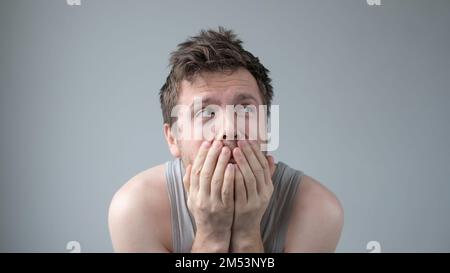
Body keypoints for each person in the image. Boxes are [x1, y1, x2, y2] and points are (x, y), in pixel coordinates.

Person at [108, 27, 344, 253]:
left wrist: (247, 234)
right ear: (173, 138)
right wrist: (212, 235)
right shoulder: (135, 209)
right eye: (206, 113)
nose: (230, 129)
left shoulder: (318, 210)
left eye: (245, 109)